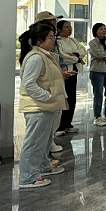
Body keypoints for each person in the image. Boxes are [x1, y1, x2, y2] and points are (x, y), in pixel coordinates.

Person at [17, 21, 67, 189]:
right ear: (39, 40)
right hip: (38, 107)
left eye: (54, 37)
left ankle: (43, 166)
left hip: (46, 106)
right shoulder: (36, 58)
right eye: (50, 38)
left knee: (44, 141)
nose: (53, 41)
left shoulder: (44, 55)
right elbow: (28, 83)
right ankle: (27, 177)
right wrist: (47, 96)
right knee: (34, 142)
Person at [35, 11, 71, 152]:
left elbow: (57, 56)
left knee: (56, 116)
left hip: (55, 83)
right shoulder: (35, 50)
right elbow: (29, 82)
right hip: (45, 88)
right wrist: (47, 96)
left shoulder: (52, 39)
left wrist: (62, 68)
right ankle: (44, 148)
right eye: (51, 21)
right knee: (44, 121)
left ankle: (49, 143)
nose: (55, 23)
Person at [55, 19, 86, 136]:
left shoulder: (73, 40)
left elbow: (83, 50)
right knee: (64, 97)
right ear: (59, 29)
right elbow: (63, 57)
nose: (70, 29)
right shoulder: (57, 42)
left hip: (74, 71)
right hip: (64, 72)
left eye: (70, 27)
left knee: (72, 98)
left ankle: (68, 123)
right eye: (67, 27)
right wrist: (77, 58)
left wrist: (76, 55)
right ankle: (60, 126)